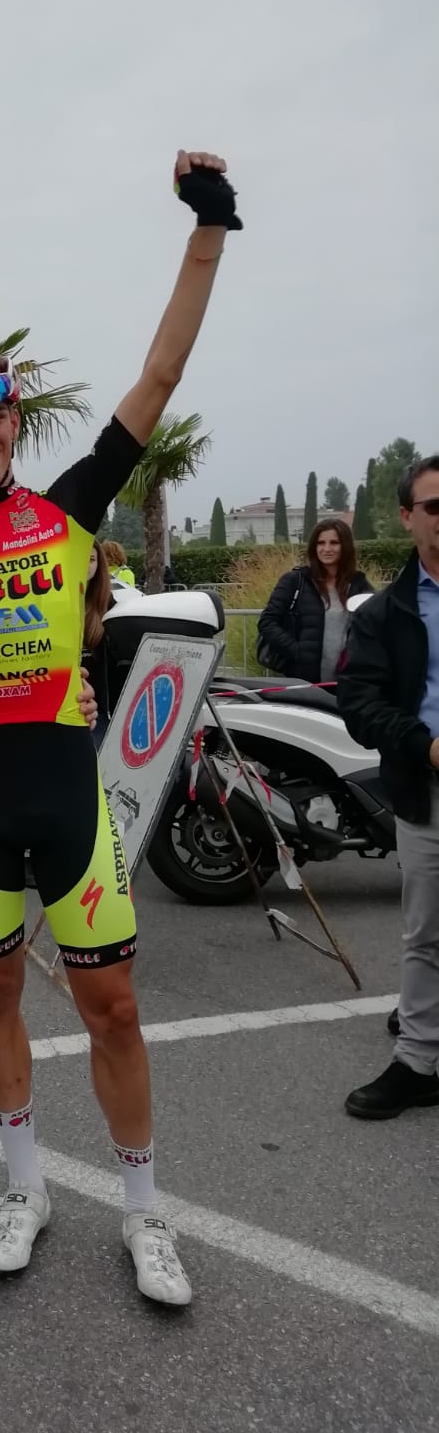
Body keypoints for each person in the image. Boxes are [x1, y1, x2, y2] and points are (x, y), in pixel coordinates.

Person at [0, 150, 240, 1307]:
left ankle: (145, 1211)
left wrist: (208, 227)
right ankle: (25, 1186)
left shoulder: (71, 507)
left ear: (14, 422)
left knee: (113, 1006)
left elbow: (161, 371)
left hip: (62, 786)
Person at [338, 454, 439, 1121]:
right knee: (425, 935)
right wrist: (424, 745)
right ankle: (419, 1064)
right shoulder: (384, 612)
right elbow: (359, 701)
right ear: (407, 517)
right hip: (427, 789)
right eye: (434, 506)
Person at [258, 518, 374, 682]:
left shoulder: (359, 585)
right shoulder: (295, 580)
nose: (327, 549)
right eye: (321, 543)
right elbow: (267, 622)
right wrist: (297, 652)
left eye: (334, 543)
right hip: (302, 681)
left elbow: (375, 627)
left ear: (345, 546)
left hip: (345, 683)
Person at [82, 541, 117, 748]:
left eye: (91, 559)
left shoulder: (110, 607)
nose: (85, 565)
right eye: (79, 558)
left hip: (100, 713)